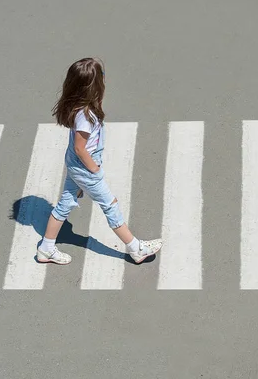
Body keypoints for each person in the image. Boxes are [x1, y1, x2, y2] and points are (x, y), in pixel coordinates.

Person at [36, 57, 163, 265]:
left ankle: (46, 248)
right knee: (110, 205)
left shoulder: (80, 107)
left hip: (76, 165)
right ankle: (136, 248)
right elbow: (80, 147)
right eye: (102, 76)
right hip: (85, 168)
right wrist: (94, 169)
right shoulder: (85, 116)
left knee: (65, 204)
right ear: (93, 86)